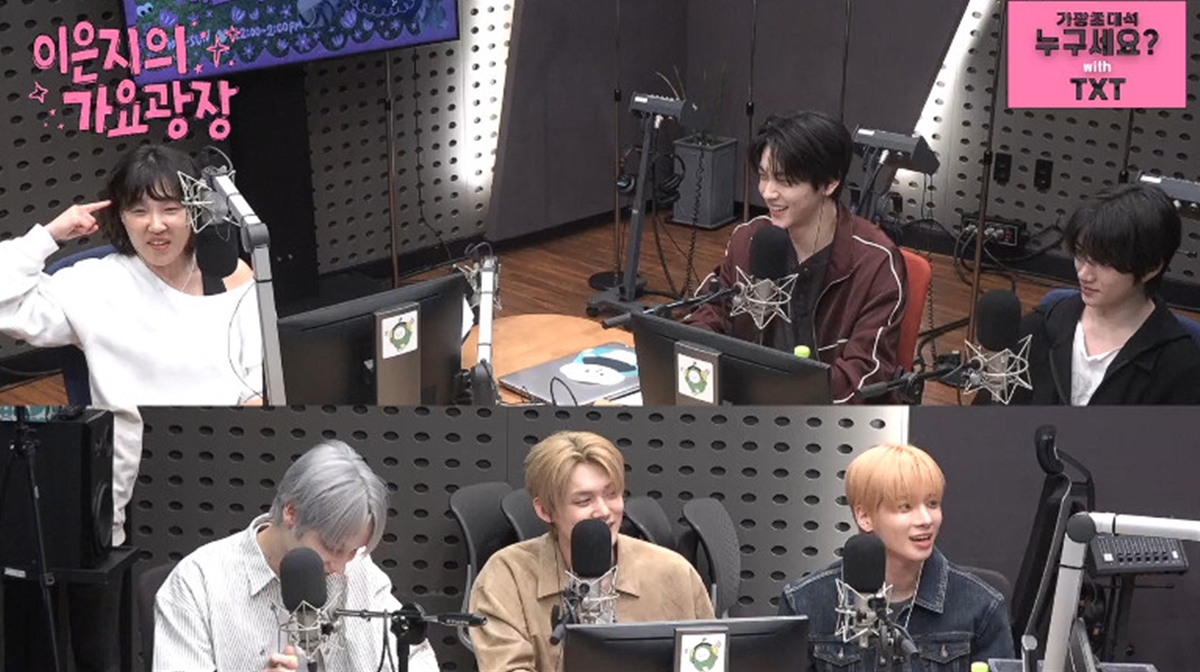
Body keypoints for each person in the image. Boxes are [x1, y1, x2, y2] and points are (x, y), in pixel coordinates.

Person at [0, 143, 263, 547]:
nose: (155, 225)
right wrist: (49, 235)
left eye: (170, 209)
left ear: (196, 208)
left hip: (228, 463)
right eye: (139, 211)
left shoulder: (231, 275)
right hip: (143, 487)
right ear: (121, 217)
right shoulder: (93, 284)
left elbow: (258, 372)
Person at [153, 440, 438, 672]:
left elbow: (416, 656)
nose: (341, 567)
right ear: (291, 512)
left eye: (353, 551)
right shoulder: (197, 583)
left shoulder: (359, 570)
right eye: (332, 546)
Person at [685, 110, 907, 404]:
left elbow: (865, 376)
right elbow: (708, 312)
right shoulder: (749, 239)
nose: (767, 193)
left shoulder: (876, 263)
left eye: (784, 181)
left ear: (829, 183)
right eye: (763, 176)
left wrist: (786, 395)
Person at [469, 431, 714, 672]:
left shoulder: (673, 573)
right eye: (583, 501)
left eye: (611, 494)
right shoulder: (507, 575)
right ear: (544, 510)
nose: (603, 511)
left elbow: (709, 660)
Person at [779, 443, 1013, 672]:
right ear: (865, 517)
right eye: (905, 507)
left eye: (932, 504)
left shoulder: (982, 605)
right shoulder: (803, 604)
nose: (926, 520)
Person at [1015, 183, 1200, 405]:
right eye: (1080, 255)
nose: (1084, 274)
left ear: (1151, 268)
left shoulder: (1180, 368)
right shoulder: (1041, 326)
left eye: (1103, 263)